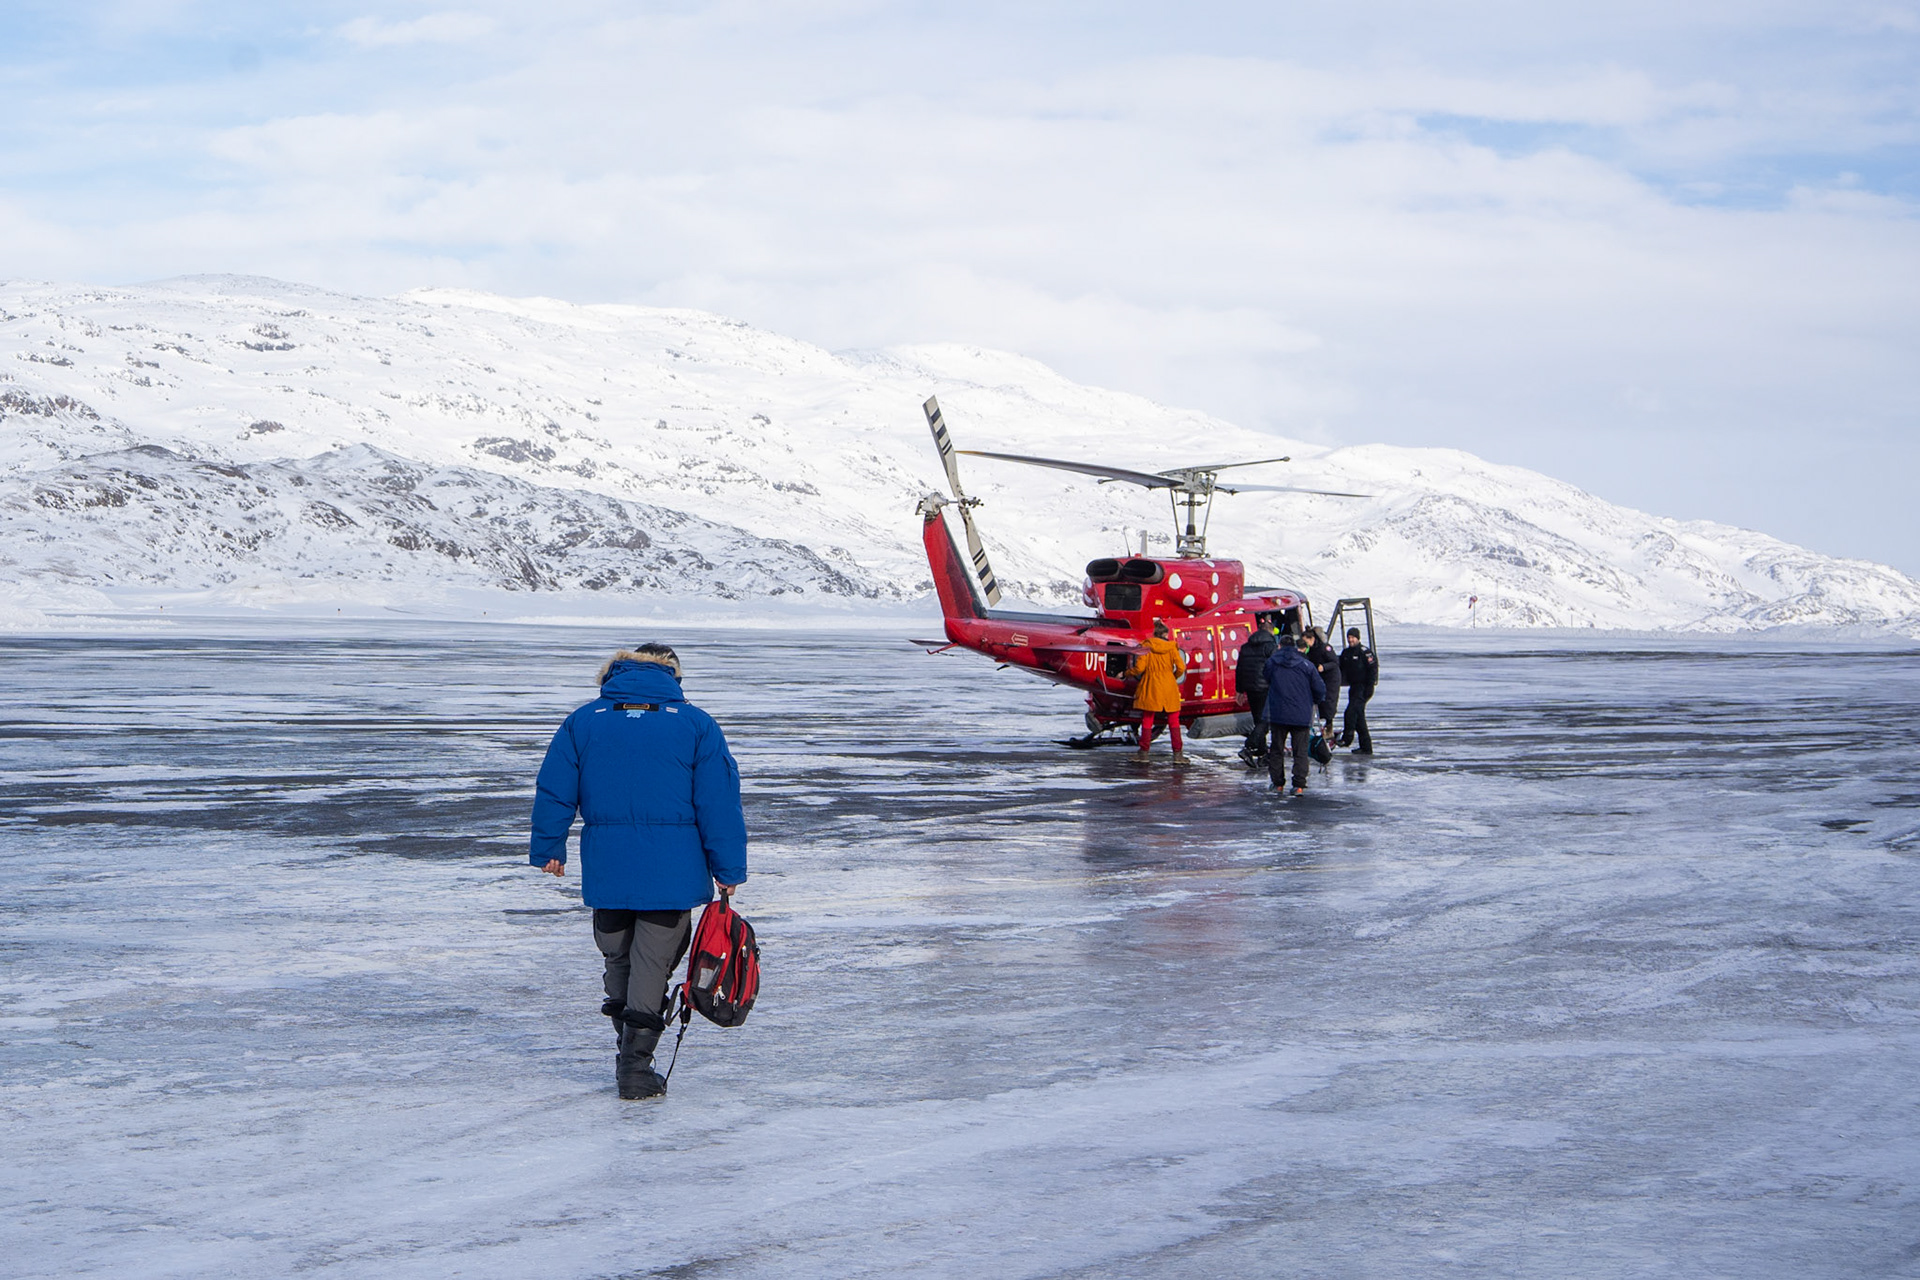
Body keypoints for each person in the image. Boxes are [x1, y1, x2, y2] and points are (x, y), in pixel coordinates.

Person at [529, 644, 747, 1100]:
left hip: (607, 864)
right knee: (652, 964)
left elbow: (555, 787)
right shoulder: (695, 724)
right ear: (673, 677)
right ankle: (634, 1067)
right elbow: (718, 802)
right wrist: (727, 868)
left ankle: (626, 1053)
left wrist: (550, 846)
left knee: (618, 957)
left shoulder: (584, 720)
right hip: (673, 867)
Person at [1261, 633, 1325, 795]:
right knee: (1300, 751)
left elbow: (1265, 678)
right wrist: (1314, 701)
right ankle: (1298, 785)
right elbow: (1319, 688)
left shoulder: (1272, 663)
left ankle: (1278, 784)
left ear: (1279, 646)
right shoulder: (1306, 665)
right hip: (1301, 714)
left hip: (1278, 713)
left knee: (1276, 749)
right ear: (1296, 647)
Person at [1127, 618, 1187, 760]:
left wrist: (1126, 673)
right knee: (1174, 721)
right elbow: (1181, 667)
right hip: (1169, 685)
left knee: (1148, 719)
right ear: (1166, 635)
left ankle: (1144, 753)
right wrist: (1173, 676)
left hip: (1151, 684)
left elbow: (1139, 668)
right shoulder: (1172, 648)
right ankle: (1178, 754)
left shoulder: (1146, 646)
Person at [1234, 613, 1278, 766]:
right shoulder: (1271, 647)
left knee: (1258, 720)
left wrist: (1239, 690)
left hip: (1250, 688)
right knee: (1266, 721)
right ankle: (1249, 747)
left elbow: (1239, 669)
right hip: (1266, 688)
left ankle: (1261, 752)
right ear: (1270, 632)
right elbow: (1276, 668)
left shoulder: (1246, 647)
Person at [1337, 627, 1378, 754]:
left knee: (1350, 712)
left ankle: (1347, 739)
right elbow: (1338, 667)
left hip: (1364, 687)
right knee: (1359, 718)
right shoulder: (1346, 653)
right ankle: (1366, 747)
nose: (1350, 640)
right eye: (1349, 637)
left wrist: (1370, 687)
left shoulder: (1365, 652)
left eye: (1353, 637)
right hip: (1353, 688)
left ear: (1358, 638)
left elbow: (1373, 669)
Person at [1305, 627, 1341, 741]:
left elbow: (1335, 662)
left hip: (1330, 678)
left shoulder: (1325, 648)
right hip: (1319, 677)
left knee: (1329, 701)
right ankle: (1323, 725)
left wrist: (1324, 667)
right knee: (1319, 701)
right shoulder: (1311, 650)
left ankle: (1329, 727)